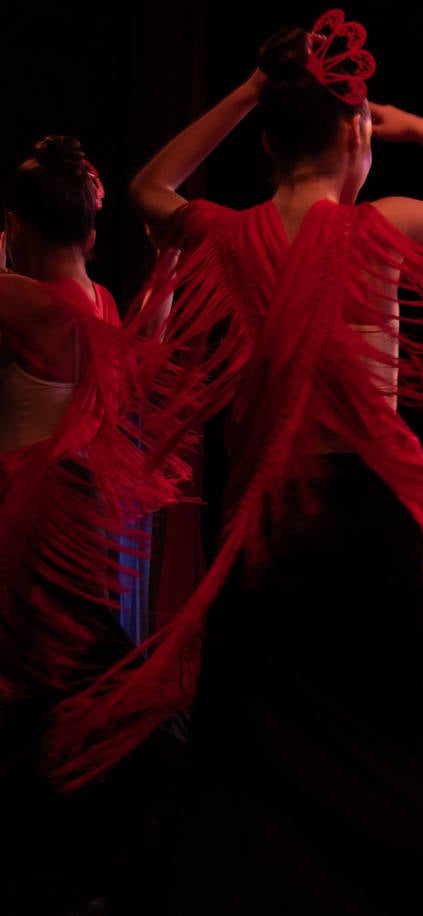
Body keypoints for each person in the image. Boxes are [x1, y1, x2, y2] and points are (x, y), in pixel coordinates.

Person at [44, 11, 423, 914]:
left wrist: (252, 87)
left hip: (261, 510)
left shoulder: (227, 230)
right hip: (356, 508)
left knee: (262, 722)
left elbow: (145, 184)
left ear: (265, 140)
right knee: (379, 712)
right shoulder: (376, 227)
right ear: (358, 137)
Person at [0, 135, 187, 915]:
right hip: (97, 525)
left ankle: (43, 865)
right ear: (93, 235)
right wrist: (168, 262)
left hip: (31, 520)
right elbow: (148, 342)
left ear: (16, 227)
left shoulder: (22, 300)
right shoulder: (103, 303)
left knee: (28, 690)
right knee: (73, 682)